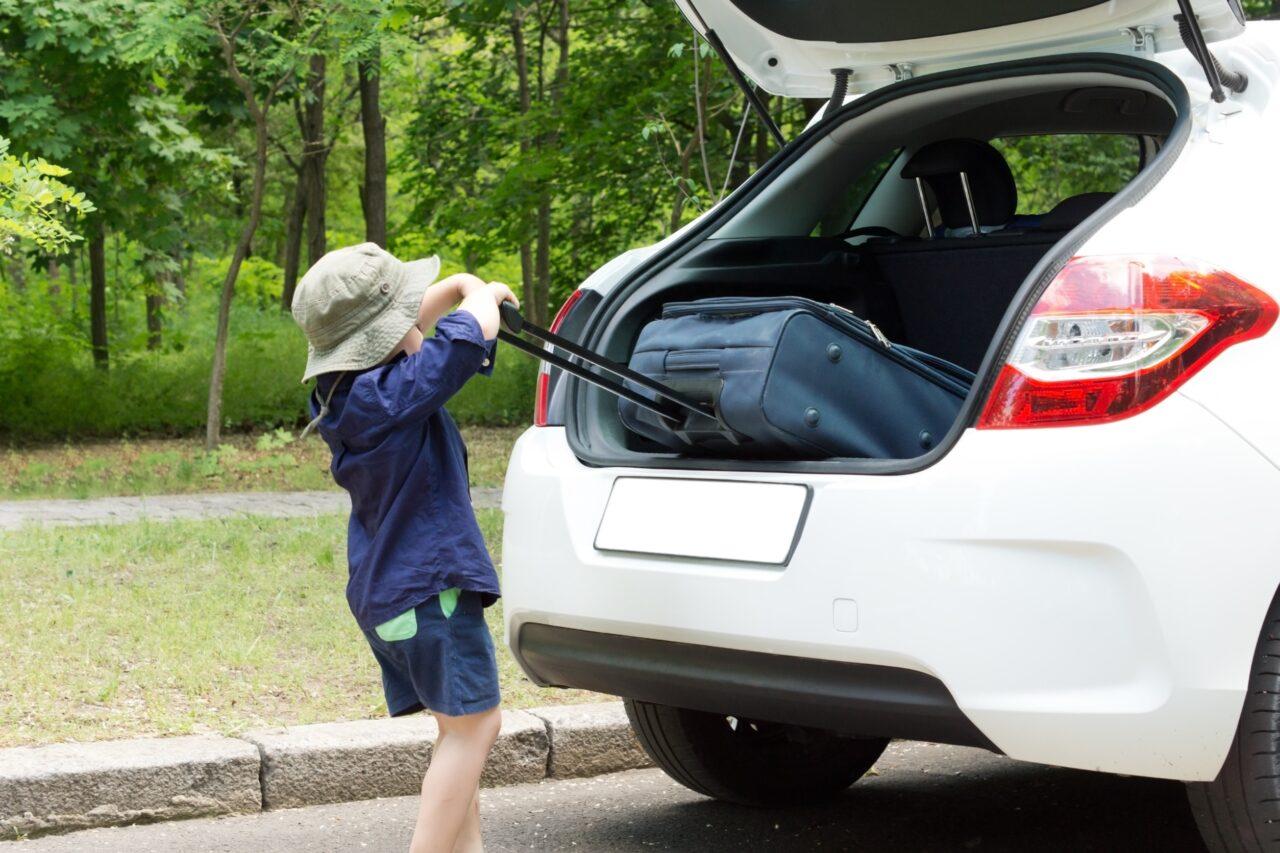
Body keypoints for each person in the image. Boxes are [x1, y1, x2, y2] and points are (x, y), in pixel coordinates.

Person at [291, 242, 517, 853]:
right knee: (478, 726)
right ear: (385, 340)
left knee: (455, 730)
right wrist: (480, 296)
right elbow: (463, 344)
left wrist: (452, 288)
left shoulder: (344, 395)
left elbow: (418, 330)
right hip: (429, 592)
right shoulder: (397, 393)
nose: (417, 324)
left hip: (389, 596)